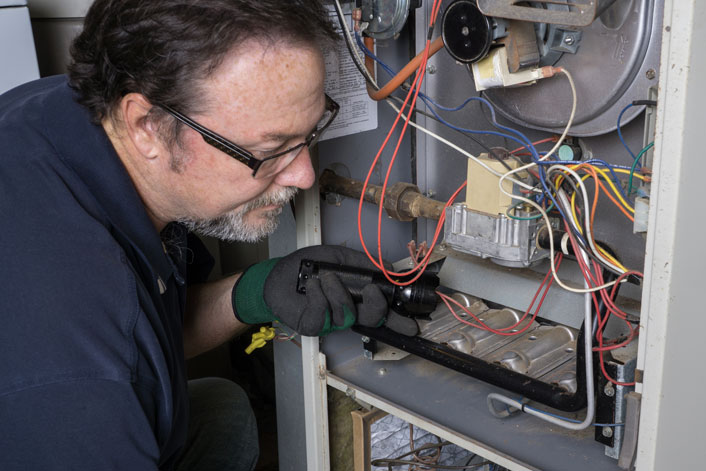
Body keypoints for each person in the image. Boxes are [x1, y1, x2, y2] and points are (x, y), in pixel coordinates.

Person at [0, 0, 416, 469]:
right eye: (271, 149)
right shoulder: (77, 369)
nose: (303, 174)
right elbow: (113, 348)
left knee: (222, 410)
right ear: (147, 127)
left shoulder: (71, 111)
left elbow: (153, 332)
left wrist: (258, 289)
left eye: (310, 133)